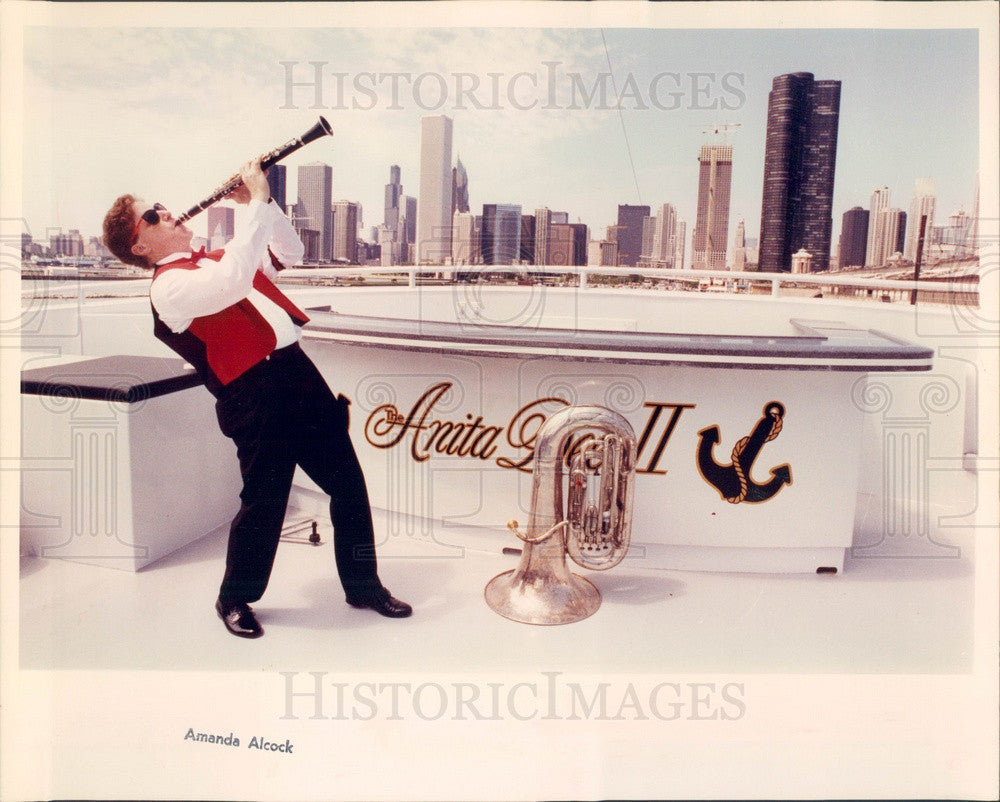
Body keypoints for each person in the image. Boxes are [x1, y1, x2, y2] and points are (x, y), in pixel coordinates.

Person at [102, 159, 411, 639]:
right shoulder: (170, 287)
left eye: (161, 206)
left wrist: (259, 205)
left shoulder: (219, 257)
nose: (167, 213)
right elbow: (233, 281)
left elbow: (291, 250)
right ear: (140, 245)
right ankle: (234, 597)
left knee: (347, 482)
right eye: (153, 215)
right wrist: (257, 206)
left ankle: (363, 586)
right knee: (264, 500)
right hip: (252, 396)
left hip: (297, 375)